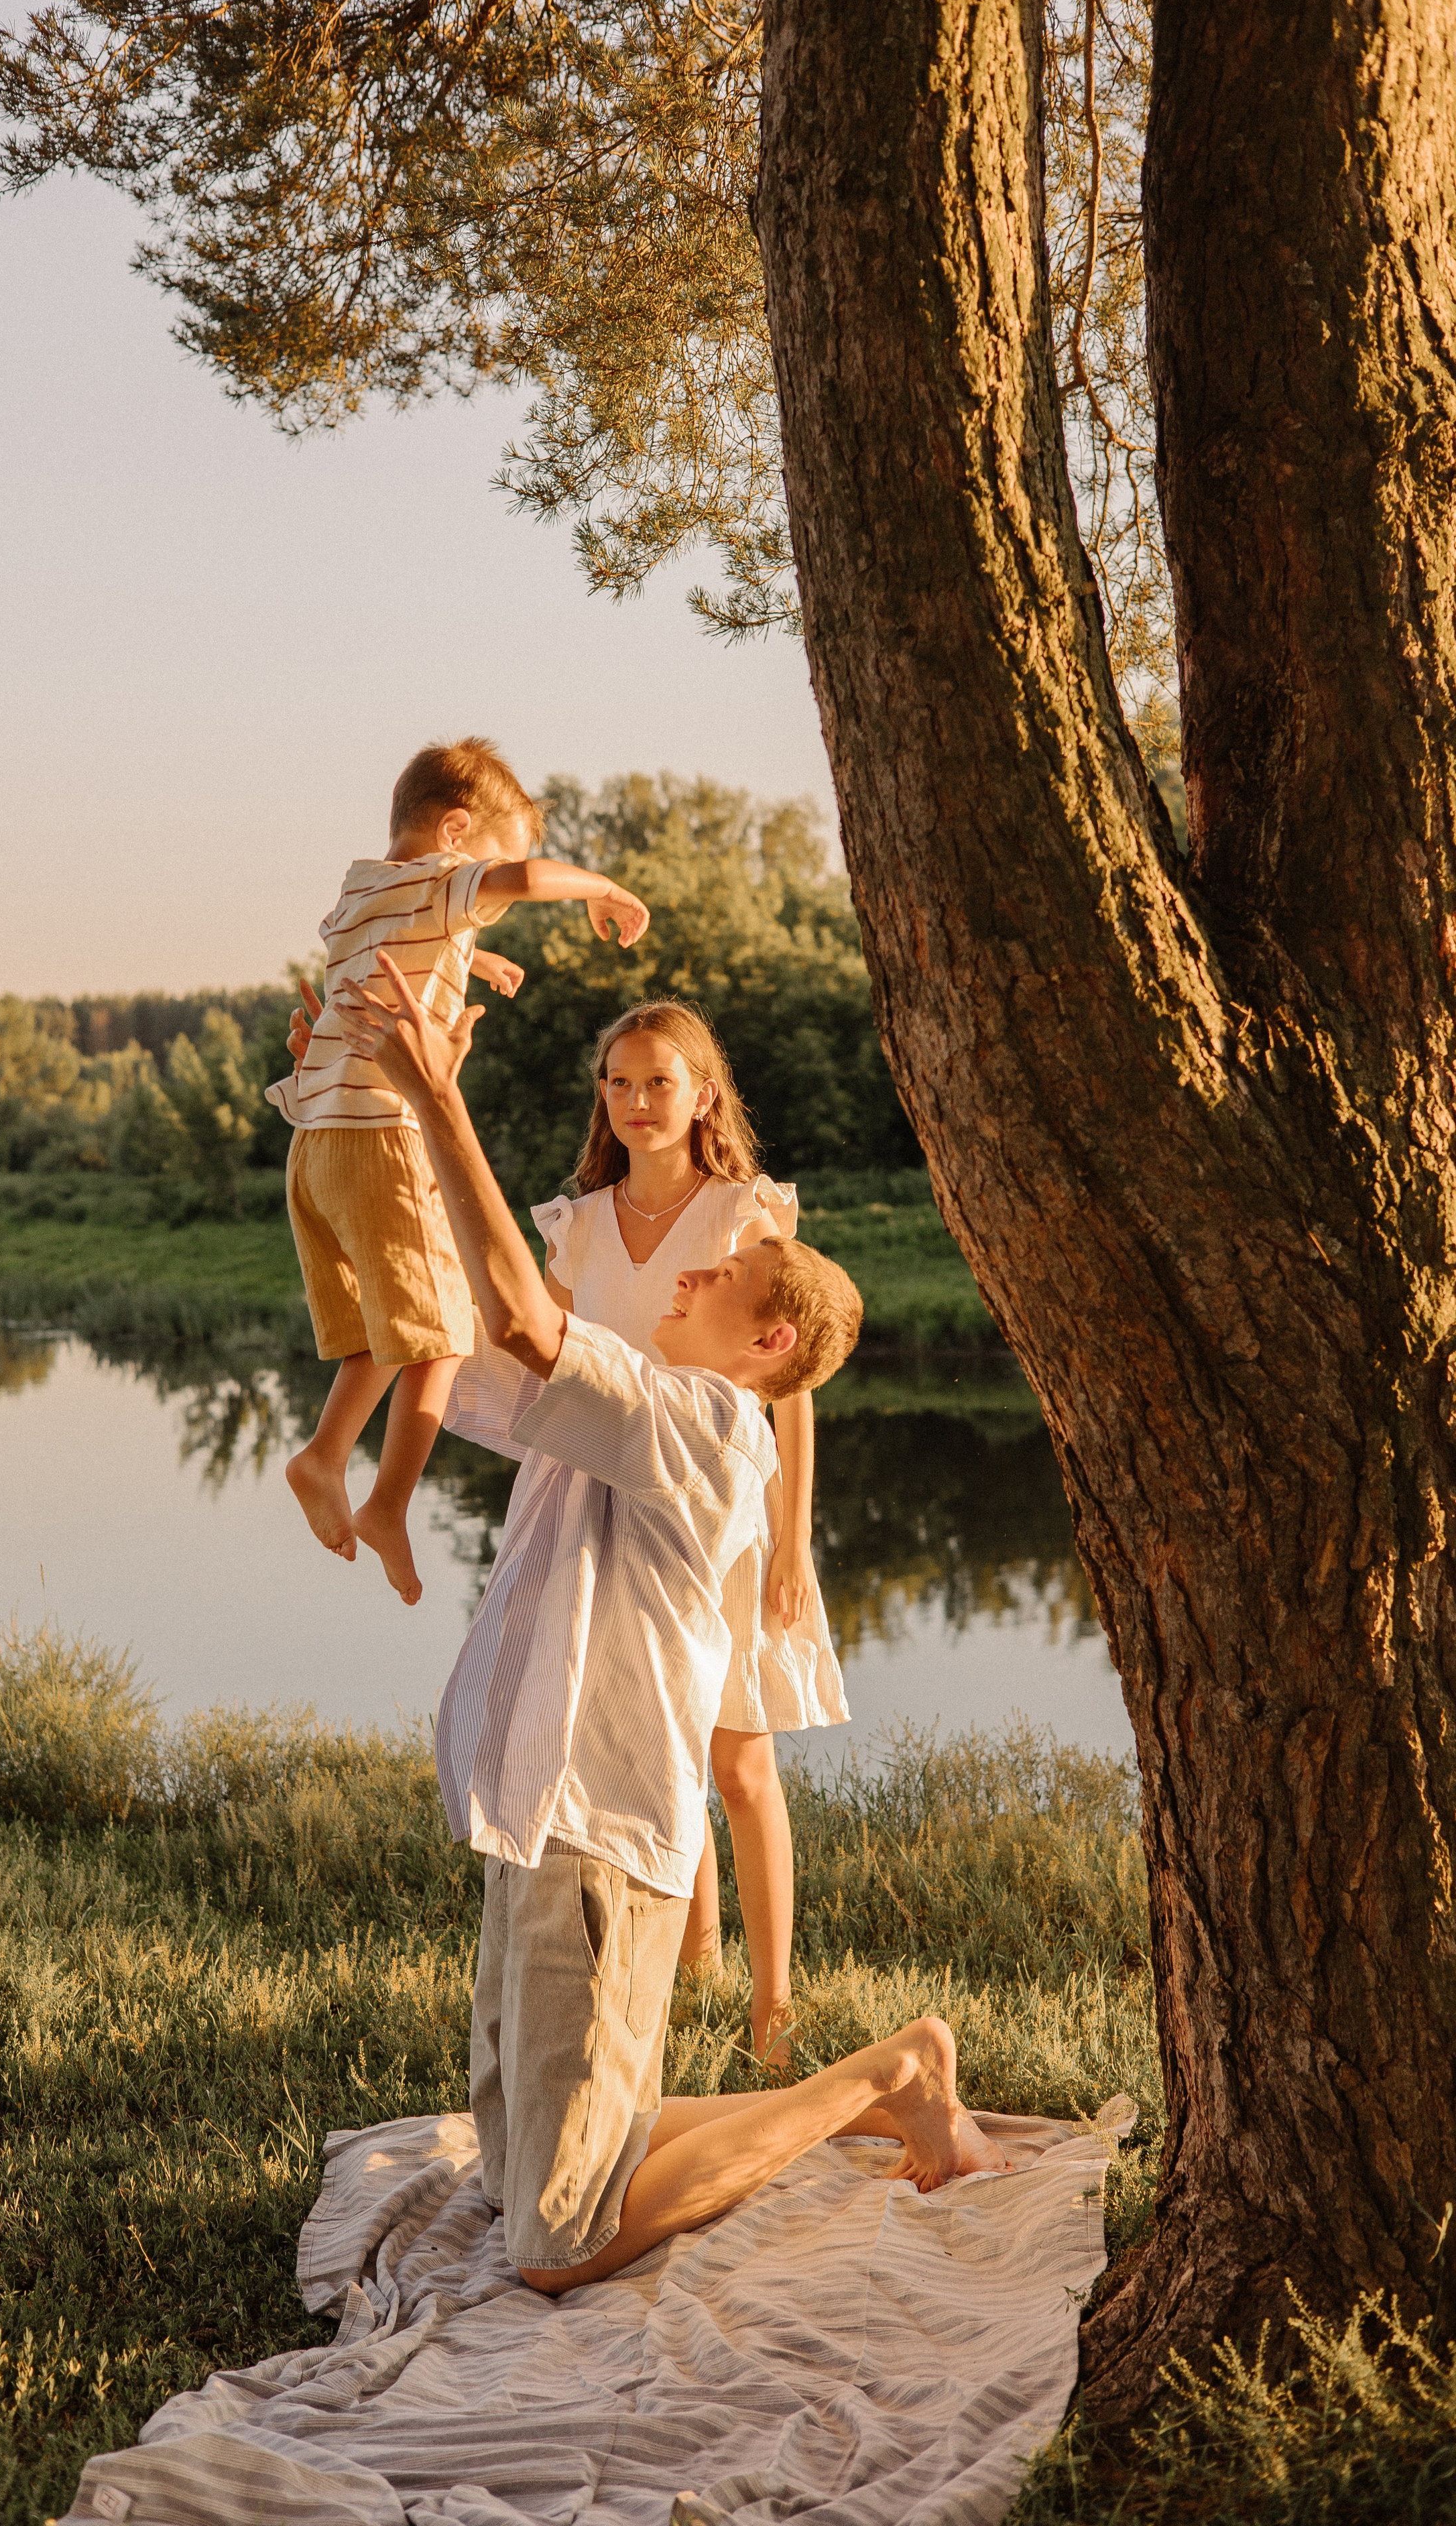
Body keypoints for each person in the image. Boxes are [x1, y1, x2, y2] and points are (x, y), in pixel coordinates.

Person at [337, 949, 1006, 2295]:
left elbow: (524, 1314)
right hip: (536, 1813)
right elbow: (454, 1321)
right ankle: (878, 2090)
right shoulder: (635, 1403)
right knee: (515, 2173)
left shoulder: (701, 1423)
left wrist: (443, 1098)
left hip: (597, 1833)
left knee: (556, 2247)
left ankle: (881, 2076)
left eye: (721, 1281)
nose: (689, 1279)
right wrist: (387, 1115)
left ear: (768, 1344)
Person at [446, 998, 843, 2073]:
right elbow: (534, 1347)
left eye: (658, 1081)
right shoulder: (580, 1223)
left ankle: (774, 1998)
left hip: (710, 1499)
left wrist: (792, 1540)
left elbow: (789, 1383)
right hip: (606, 1497)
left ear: (703, 1095)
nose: (634, 1101)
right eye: (617, 1082)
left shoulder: (742, 1216)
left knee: (739, 1758)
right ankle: (693, 1956)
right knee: (651, 1726)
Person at [266, 737, 649, 1606]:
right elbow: (524, 879)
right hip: (383, 1136)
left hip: (315, 1142)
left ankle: (326, 1456)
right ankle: (380, 1497)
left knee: (383, 1330)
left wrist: (472, 956)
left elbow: (396, 944)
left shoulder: (361, 892)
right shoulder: (445, 879)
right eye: (487, 875)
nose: (491, 901)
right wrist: (603, 888)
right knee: (443, 1329)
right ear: (453, 833)